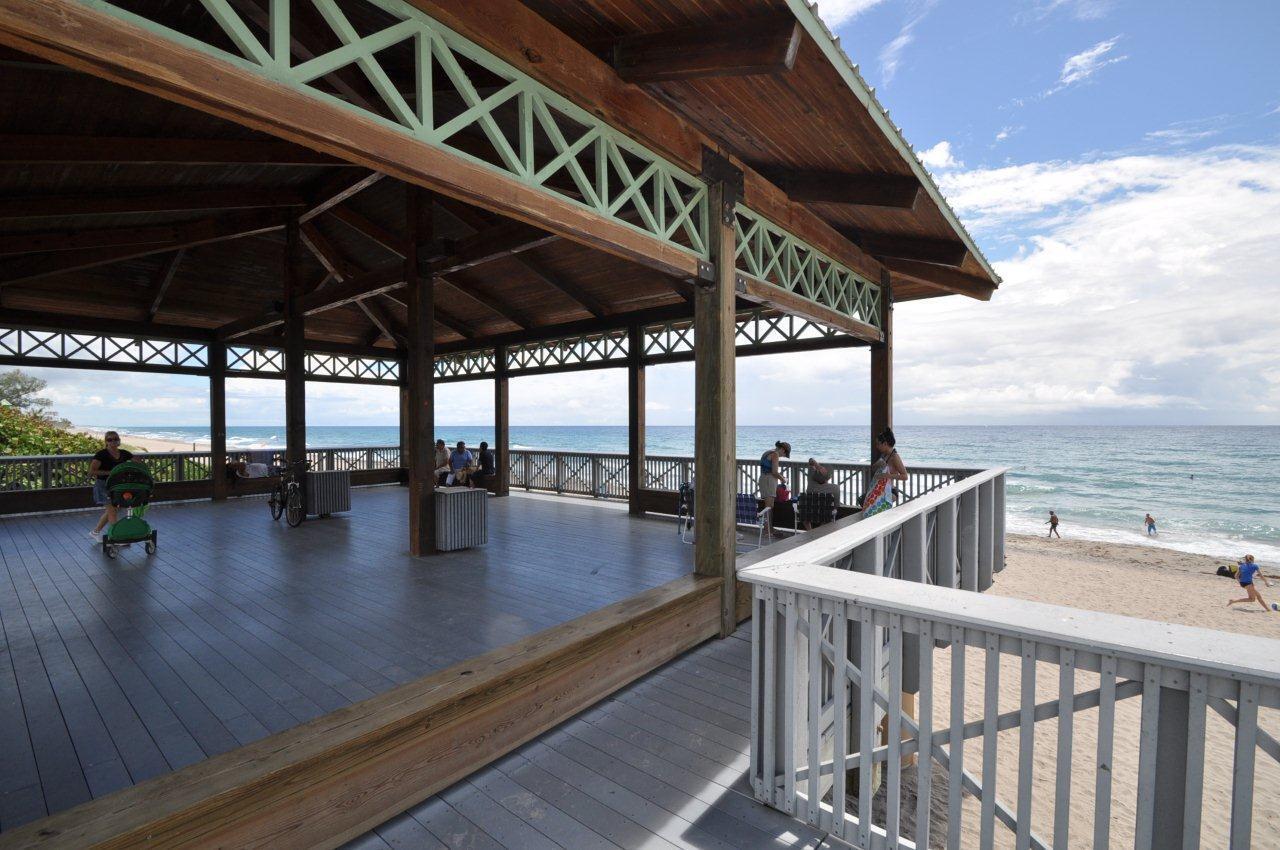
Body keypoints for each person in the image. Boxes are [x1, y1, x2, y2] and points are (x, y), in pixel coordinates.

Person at [89, 431, 133, 541]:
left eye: (115, 439)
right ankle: (116, 537)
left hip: (117, 486)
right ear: (106, 442)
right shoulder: (101, 454)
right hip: (103, 486)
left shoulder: (124, 453)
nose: (113, 441)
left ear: (119, 440)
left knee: (114, 510)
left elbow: (137, 461)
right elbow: (92, 471)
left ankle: (95, 532)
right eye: (110, 439)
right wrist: (111, 472)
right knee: (112, 511)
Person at [860, 428, 907, 516]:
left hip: (890, 491)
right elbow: (874, 469)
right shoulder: (884, 455)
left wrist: (887, 475)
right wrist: (877, 465)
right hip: (881, 490)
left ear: (885, 444)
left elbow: (905, 476)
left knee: (876, 511)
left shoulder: (895, 457)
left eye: (878, 444)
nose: (877, 446)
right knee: (865, 502)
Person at [758, 440, 791, 538]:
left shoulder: (767, 452)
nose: (782, 456)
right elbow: (774, 472)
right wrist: (783, 479)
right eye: (784, 454)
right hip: (769, 480)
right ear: (783, 450)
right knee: (769, 507)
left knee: (768, 506)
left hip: (763, 478)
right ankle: (767, 531)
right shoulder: (775, 455)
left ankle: (769, 528)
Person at [801, 457, 841, 531]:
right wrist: (835, 508)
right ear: (828, 478)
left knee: (807, 516)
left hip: (808, 514)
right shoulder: (834, 488)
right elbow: (836, 506)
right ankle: (818, 533)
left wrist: (817, 466)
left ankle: (810, 532)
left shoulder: (811, 480)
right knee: (828, 514)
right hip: (823, 515)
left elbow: (811, 460)